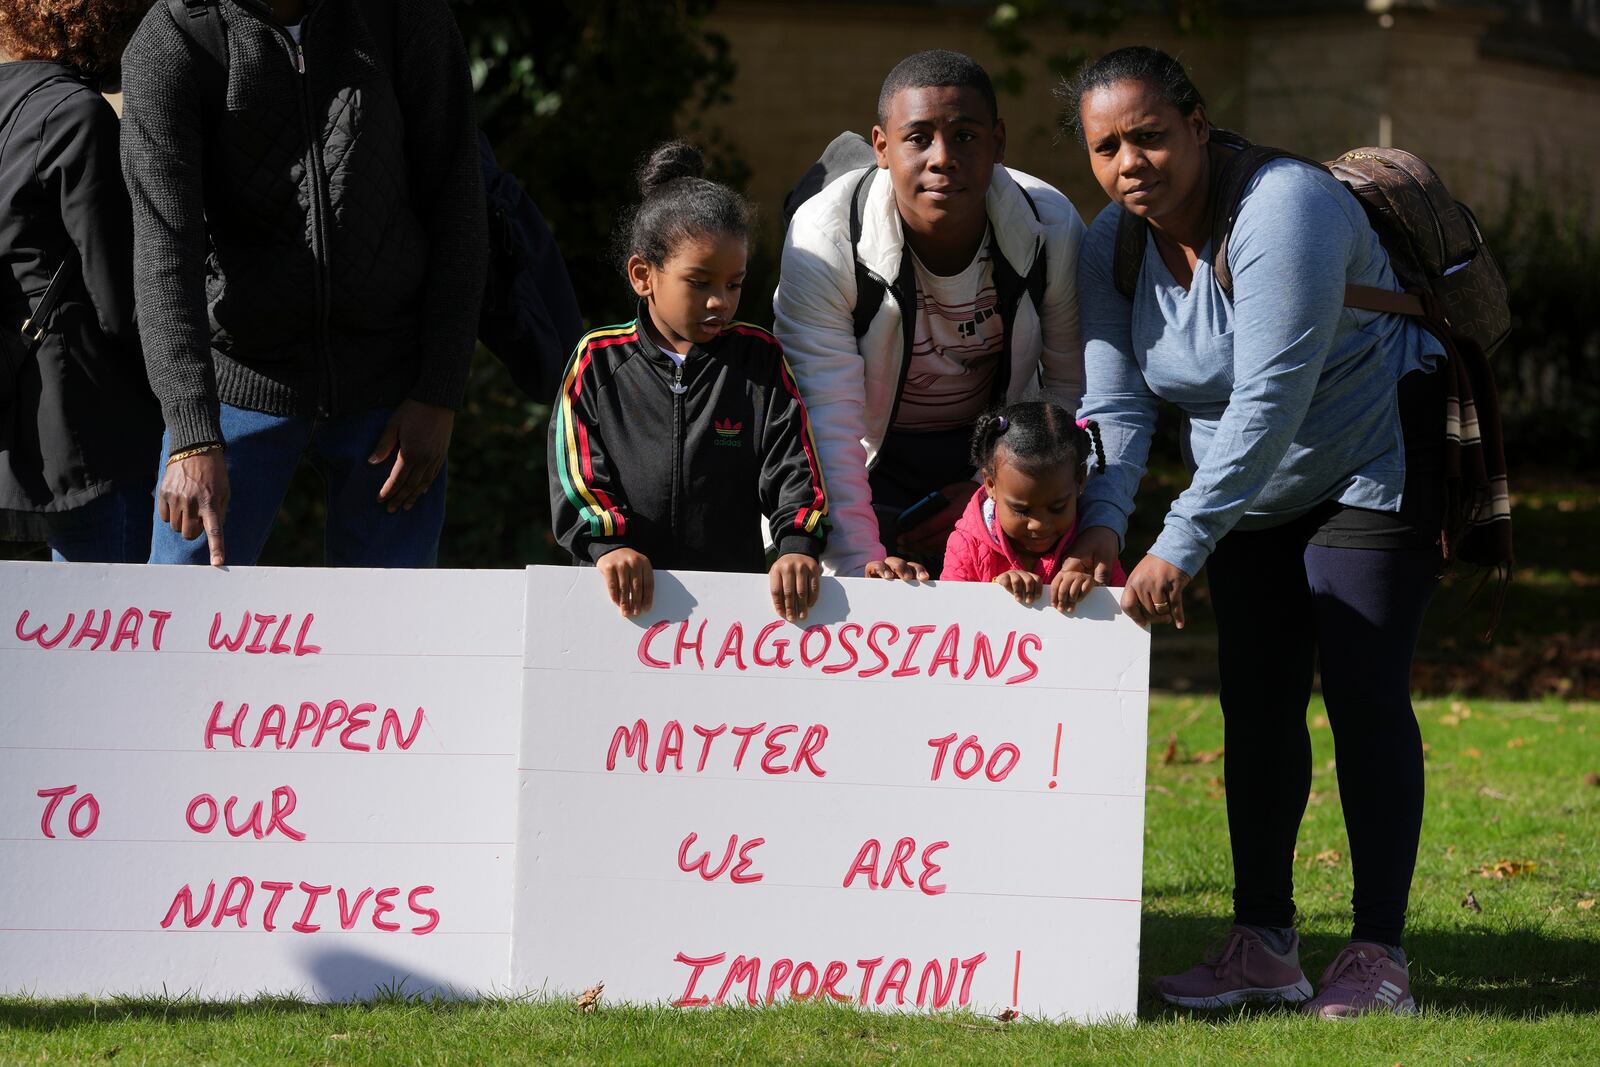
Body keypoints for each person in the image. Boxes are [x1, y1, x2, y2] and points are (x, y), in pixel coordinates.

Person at [1063, 46, 1446, 1018]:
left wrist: (1179, 540)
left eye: (1148, 135)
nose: (1129, 162)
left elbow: (1268, 397)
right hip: (1247, 492)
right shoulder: (1111, 240)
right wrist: (1106, 523)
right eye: (1106, 147)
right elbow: (1113, 397)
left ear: (1198, 123)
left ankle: (1378, 952)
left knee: (1362, 692)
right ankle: (1265, 944)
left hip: (1371, 462)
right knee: (1257, 705)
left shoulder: (1284, 205)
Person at [120, 0, 485, 568]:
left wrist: (439, 391)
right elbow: (165, 251)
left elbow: (458, 203)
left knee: (391, 639)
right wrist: (191, 432)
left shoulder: (406, 15)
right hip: (236, 383)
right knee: (182, 621)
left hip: (390, 388)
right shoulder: (172, 40)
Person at [775, 49, 1085, 579]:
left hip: (996, 449)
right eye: (918, 137)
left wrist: (998, 488)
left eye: (965, 135)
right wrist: (860, 563)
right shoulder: (825, 236)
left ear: (998, 142)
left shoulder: (1049, 226)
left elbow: (1071, 390)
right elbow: (825, 419)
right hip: (867, 454)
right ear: (881, 147)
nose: (942, 157)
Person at [549, 142, 829, 622]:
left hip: (729, 619)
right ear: (643, 275)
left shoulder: (759, 360)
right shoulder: (596, 361)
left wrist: (796, 544)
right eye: (700, 283)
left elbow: (793, 464)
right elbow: (575, 470)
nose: (719, 301)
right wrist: (607, 544)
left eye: (733, 284)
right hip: (615, 610)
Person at [0, 1, 159, 562]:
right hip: (87, 421)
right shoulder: (77, 116)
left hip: (15, 408)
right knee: (111, 630)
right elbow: (121, 303)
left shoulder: (8, 103)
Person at [938, 401, 1124, 608]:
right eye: (1021, 510)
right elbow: (952, 613)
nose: (1039, 525)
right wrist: (994, 592)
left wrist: (1094, 593)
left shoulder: (1093, 541)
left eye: (1057, 508)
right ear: (990, 485)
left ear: (1080, 481)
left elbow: (1120, 619)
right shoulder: (967, 545)